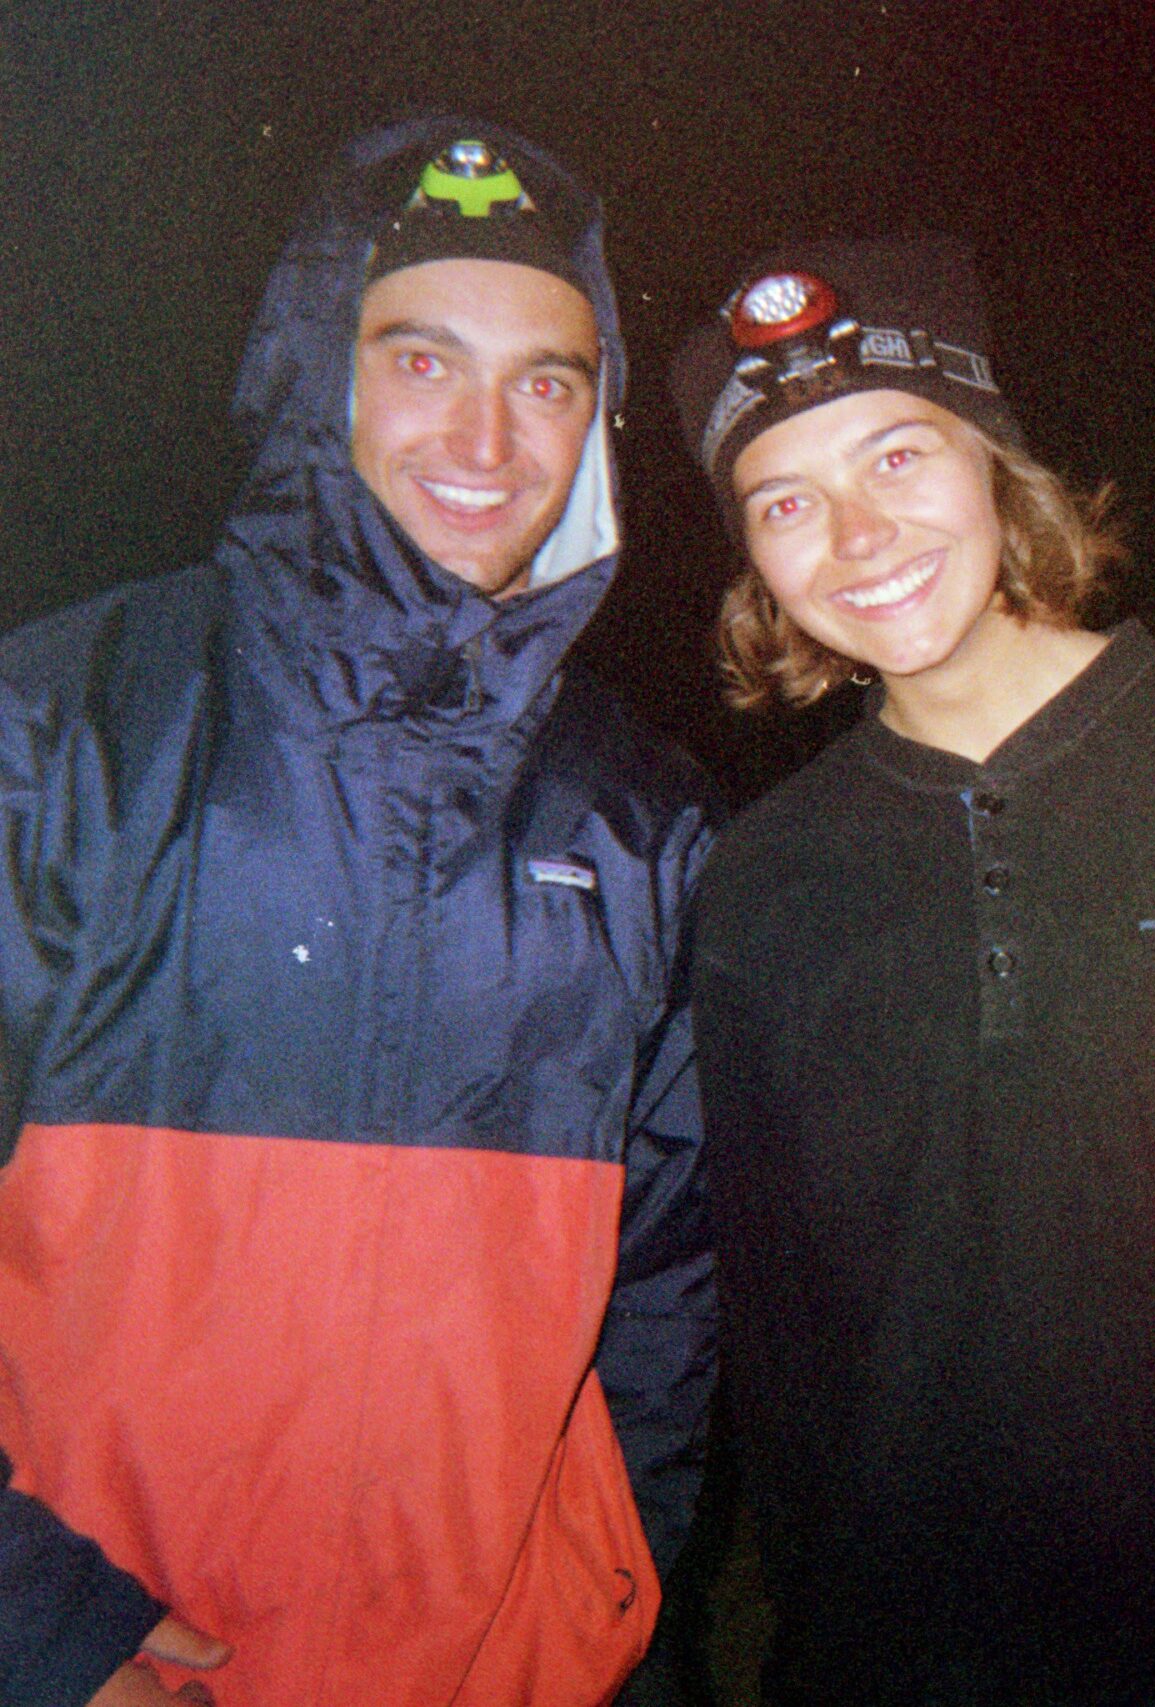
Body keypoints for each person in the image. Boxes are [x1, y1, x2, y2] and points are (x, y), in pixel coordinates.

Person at [0, 121, 715, 1707]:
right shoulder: (66, 724)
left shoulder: (642, 813)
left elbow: (665, 1290)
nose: (488, 436)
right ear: (319, 377)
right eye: (423, 360)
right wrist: (36, 1630)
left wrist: (615, 1614)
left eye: (546, 382)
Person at [668, 236, 1155, 1705]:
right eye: (787, 502)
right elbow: (776, 1328)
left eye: (898, 457)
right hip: (907, 1649)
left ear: (998, 465)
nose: (858, 535)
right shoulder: (762, 880)